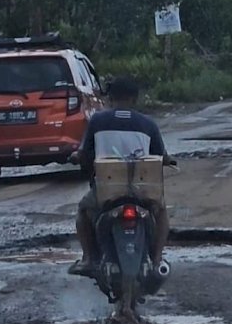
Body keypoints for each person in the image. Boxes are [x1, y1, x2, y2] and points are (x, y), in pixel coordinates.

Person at [68, 77, 172, 276]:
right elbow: (162, 156)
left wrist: (75, 157)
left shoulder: (97, 121)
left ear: (110, 99)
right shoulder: (148, 124)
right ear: (134, 99)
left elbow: (82, 154)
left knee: (83, 211)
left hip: (108, 191)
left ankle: (89, 258)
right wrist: (168, 160)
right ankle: (157, 259)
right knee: (161, 211)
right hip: (142, 191)